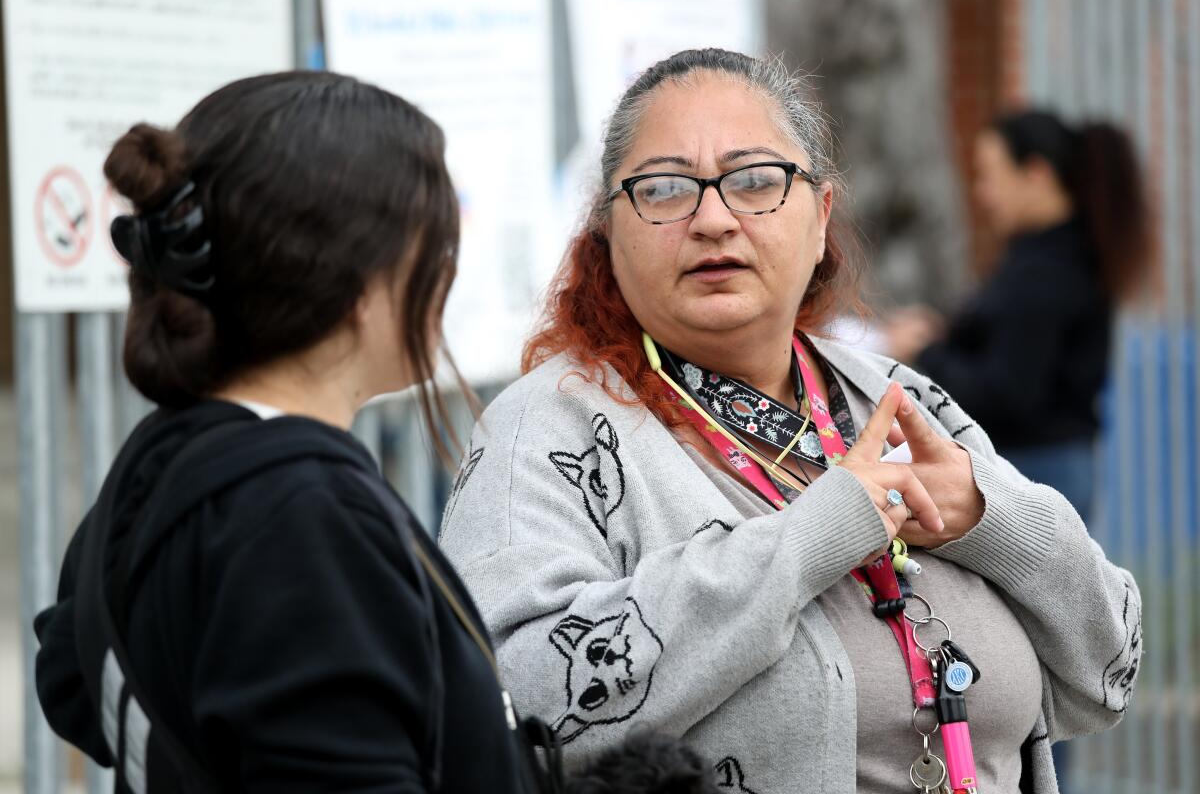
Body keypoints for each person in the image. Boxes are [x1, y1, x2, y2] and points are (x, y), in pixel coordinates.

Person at [439, 49, 1142, 794]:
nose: (713, 219)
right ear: (609, 232)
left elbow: (1109, 674)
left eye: (754, 182)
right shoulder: (546, 428)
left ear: (820, 218)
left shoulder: (903, 401)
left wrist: (991, 520)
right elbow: (513, 705)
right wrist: (808, 539)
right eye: (666, 189)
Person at [34, 71, 540, 792]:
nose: (448, 275)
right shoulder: (300, 517)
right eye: (439, 242)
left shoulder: (167, 463)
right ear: (361, 278)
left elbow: (68, 677)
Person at [888, 110, 1152, 522]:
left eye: (990, 174)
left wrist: (929, 351)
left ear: (1036, 173)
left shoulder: (1047, 272)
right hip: (1050, 464)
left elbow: (1008, 393)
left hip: (1038, 470)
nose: (982, 193)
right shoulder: (1050, 255)